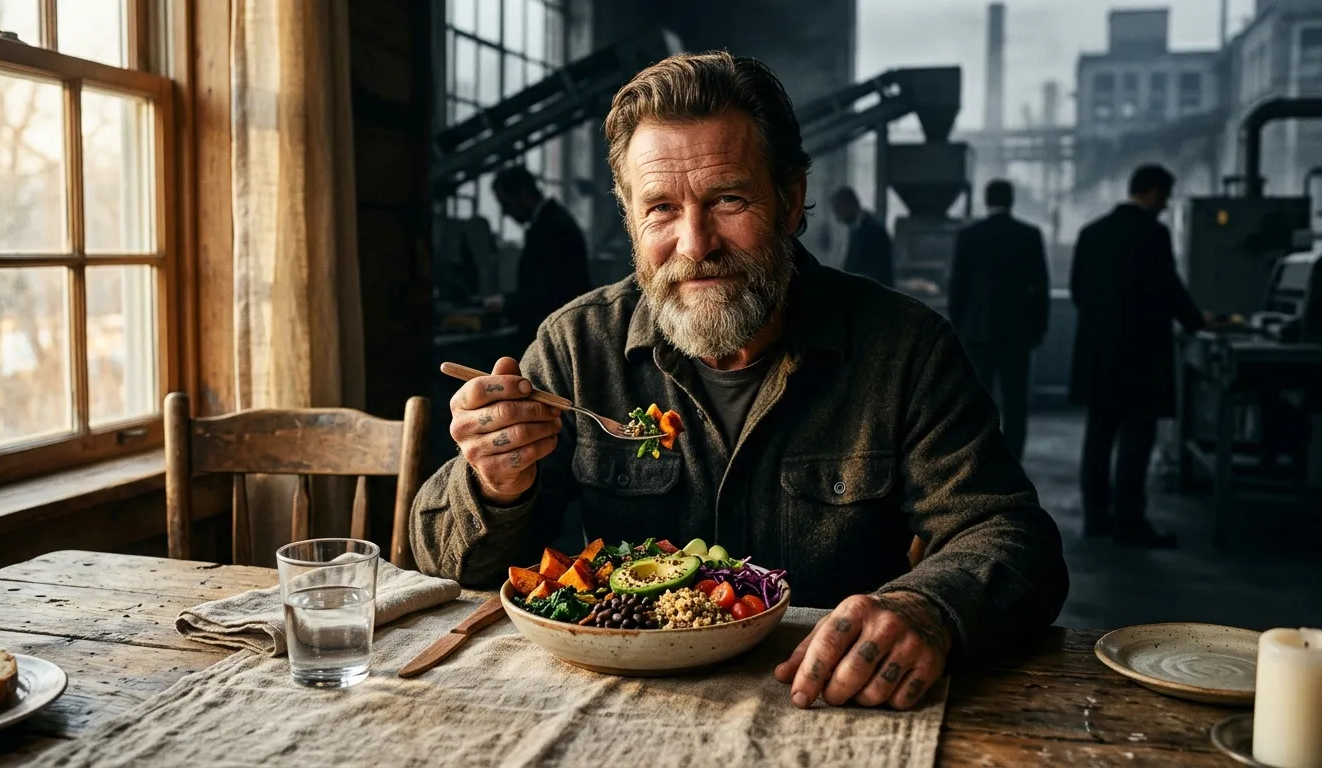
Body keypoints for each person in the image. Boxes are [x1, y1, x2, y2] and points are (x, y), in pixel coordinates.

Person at [413, 52, 1067, 712]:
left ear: (789, 199)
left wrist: (928, 608)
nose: (695, 243)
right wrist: (495, 483)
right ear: (629, 218)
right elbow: (442, 565)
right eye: (661, 208)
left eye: (728, 199)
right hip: (625, 708)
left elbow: (1011, 536)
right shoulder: (577, 347)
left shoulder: (906, 350)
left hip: (830, 705)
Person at [1069, 164, 1207, 548]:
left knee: (1098, 436)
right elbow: (1169, 291)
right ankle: (1130, 520)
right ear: (1150, 191)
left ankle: (1096, 517)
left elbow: (1079, 292)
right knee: (1136, 438)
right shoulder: (1153, 234)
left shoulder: (1091, 233)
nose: (1164, 206)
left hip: (1100, 356)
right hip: (1141, 358)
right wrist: (1198, 322)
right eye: (1163, 197)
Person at [948, 179, 1050, 460]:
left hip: (978, 333)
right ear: (1011, 200)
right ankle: (1013, 458)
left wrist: (958, 327)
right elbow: (1040, 287)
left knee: (979, 400)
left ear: (986, 200)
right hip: (1017, 334)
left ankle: (981, 457)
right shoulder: (1029, 234)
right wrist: (1038, 329)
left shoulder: (969, 235)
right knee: (1016, 401)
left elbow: (957, 286)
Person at [485, 165, 591, 344]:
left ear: (524, 194)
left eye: (506, 204)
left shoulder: (552, 228)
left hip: (555, 335)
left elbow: (551, 291)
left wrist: (506, 303)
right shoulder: (552, 222)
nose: (504, 212)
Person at [829, 187, 894, 287]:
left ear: (848, 204)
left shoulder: (874, 231)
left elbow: (876, 273)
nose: (837, 217)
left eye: (838, 210)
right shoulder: (856, 230)